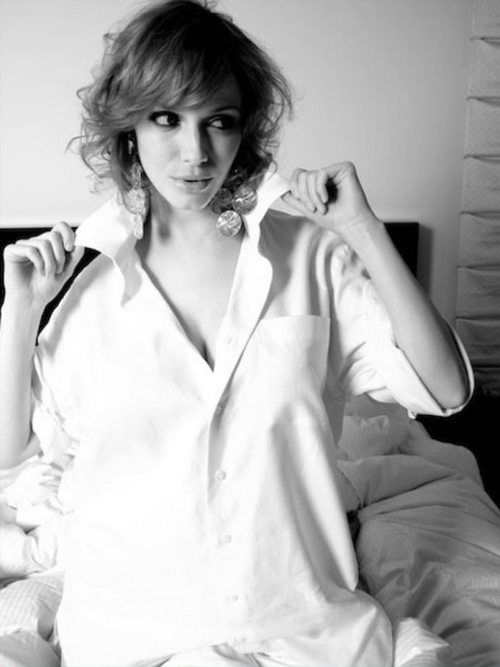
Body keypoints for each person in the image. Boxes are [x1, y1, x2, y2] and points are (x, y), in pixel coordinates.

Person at [0, 0, 471, 665]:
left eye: (217, 121)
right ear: (128, 128)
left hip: (304, 629)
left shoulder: (310, 255)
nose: (195, 153)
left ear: (243, 130)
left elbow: (446, 390)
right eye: (167, 118)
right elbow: (13, 457)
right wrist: (20, 311)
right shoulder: (89, 291)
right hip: (131, 633)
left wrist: (362, 230)